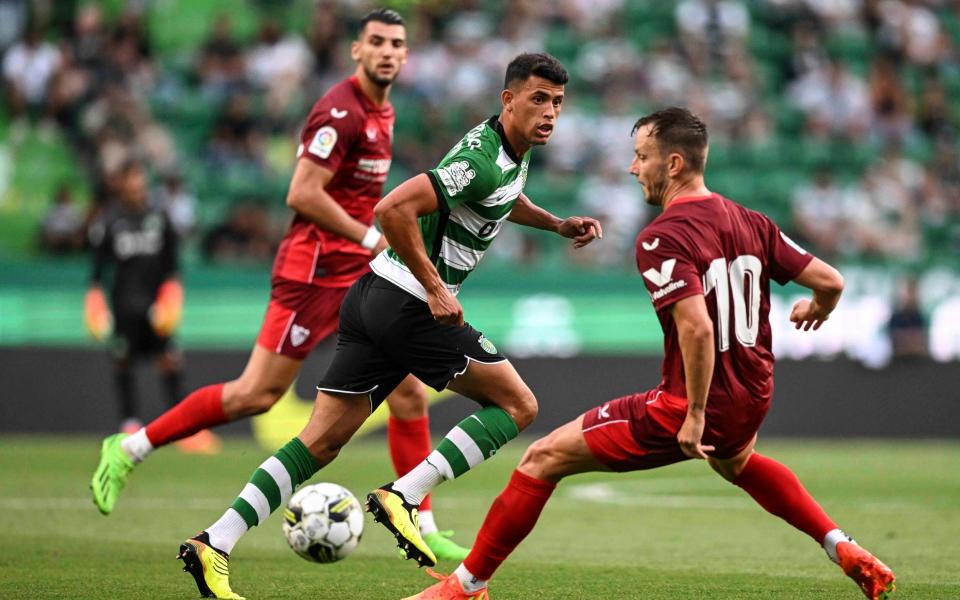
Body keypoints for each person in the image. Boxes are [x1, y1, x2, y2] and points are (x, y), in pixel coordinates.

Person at [405, 107, 896, 600]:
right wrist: (819, 307)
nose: (633, 168)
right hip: (753, 395)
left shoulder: (662, 237)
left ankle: (465, 587)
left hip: (690, 405)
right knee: (737, 460)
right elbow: (831, 281)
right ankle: (840, 543)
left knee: (541, 458)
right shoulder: (753, 222)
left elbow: (698, 331)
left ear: (675, 164)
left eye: (642, 156)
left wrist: (696, 415)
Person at [175, 52, 601, 600]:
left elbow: (500, 198)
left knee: (321, 442)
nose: (550, 113)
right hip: (408, 303)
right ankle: (405, 494)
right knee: (518, 406)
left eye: (558, 103)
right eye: (539, 99)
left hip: (372, 296)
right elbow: (392, 210)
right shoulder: (482, 157)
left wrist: (555, 224)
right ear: (508, 99)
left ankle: (216, 541)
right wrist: (435, 286)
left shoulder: (509, 154)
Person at [91, 7, 468, 563]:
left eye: (397, 43)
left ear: (406, 55)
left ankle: (421, 519)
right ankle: (130, 447)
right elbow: (302, 193)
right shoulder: (339, 111)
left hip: (359, 274)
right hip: (312, 273)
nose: (388, 51)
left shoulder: (382, 112)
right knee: (256, 395)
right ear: (356, 51)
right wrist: (368, 237)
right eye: (377, 42)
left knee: (410, 390)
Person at [85, 160, 185, 435]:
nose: (138, 185)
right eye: (132, 179)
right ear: (121, 183)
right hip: (123, 308)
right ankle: (129, 422)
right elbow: (96, 273)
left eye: (141, 178)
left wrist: (171, 300)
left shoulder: (160, 218)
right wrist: (95, 304)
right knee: (122, 360)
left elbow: (172, 269)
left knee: (170, 359)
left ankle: (184, 427)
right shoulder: (108, 221)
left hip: (155, 309)